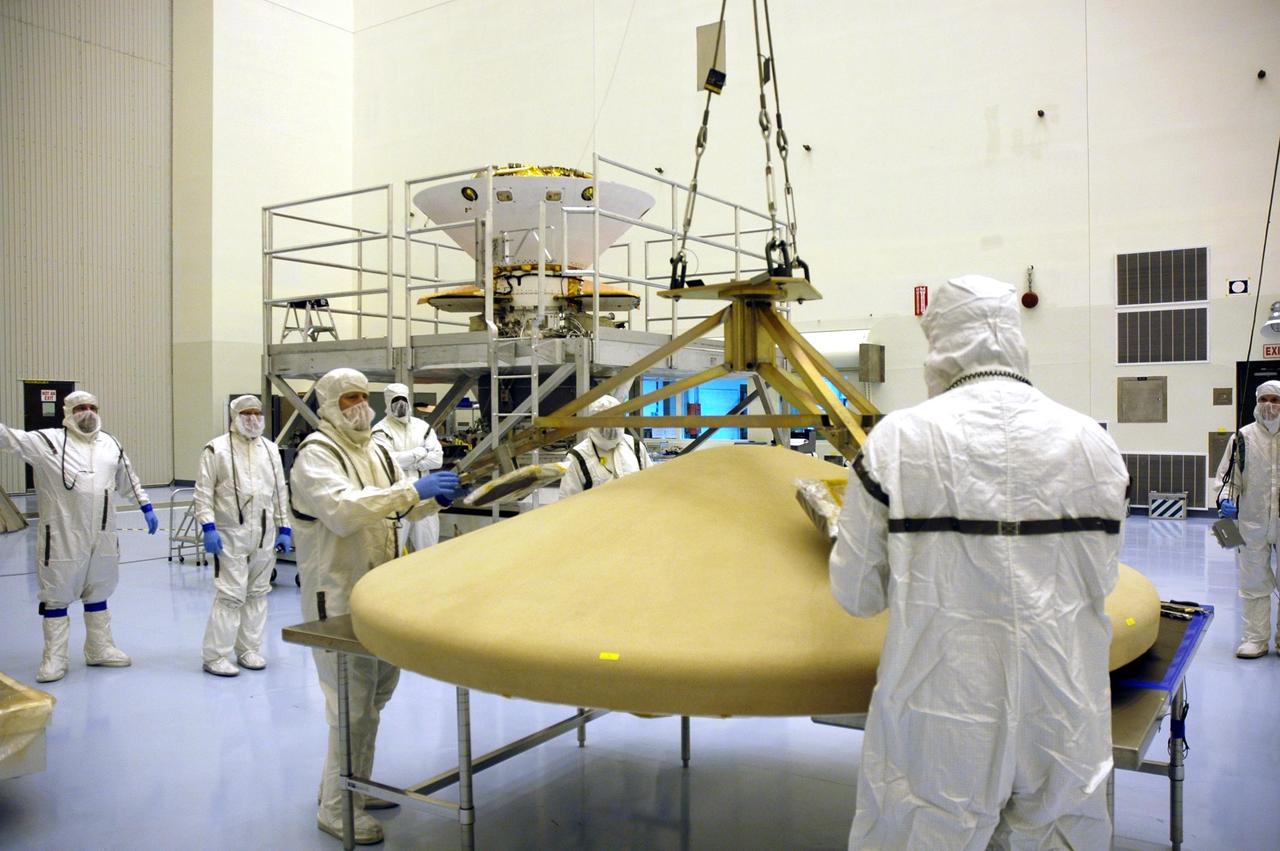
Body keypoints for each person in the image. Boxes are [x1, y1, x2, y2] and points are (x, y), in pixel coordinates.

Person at [829, 276, 1129, 849]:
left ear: (940, 341)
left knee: (926, 830)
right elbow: (1103, 577)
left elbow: (857, 595)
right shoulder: (1093, 444)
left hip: (941, 708)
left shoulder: (898, 441)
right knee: (1062, 835)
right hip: (1064, 704)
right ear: (1014, 336)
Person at [290, 368, 461, 845]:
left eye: (364, 396)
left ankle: (355, 787)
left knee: (375, 698)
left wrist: (437, 500)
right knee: (350, 705)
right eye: (349, 398)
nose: (360, 406)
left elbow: (399, 507)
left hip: (379, 592)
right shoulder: (317, 455)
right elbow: (345, 511)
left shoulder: (378, 450)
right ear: (328, 404)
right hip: (336, 597)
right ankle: (337, 808)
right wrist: (412, 490)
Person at [0, 390, 159, 683]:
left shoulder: (111, 444)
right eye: (80, 408)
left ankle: (99, 648)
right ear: (68, 413)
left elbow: (129, 479)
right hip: (62, 537)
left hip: (103, 534)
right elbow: (9, 438)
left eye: (92, 407)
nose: (88, 413)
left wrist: (146, 506)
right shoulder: (47, 442)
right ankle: (55, 658)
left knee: (99, 589)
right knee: (57, 595)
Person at [195, 395, 291, 677]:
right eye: (246, 413)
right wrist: (208, 527)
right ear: (234, 417)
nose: (252, 419)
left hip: (264, 534)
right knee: (231, 595)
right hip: (229, 534)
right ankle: (215, 656)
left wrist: (284, 527)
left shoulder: (270, 450)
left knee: (258, 593)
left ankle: (248, 649)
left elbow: (279, 491)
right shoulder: (216, 449)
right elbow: (203, 492)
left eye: (257, 413)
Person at [1214, 379, 1280, 658]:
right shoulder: (1241, 438)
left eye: (1275, 400)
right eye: (1264, 399)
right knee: (1253, 581)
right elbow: (1227, 478)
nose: (1269, 405)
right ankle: (1255, 639)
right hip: (1252, 522)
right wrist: (1226, 499)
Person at [372, 382, 444, 555]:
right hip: (395, 499)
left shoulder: (423, 427)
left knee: (429, 552)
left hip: (424, 497)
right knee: (391, 553)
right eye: (395, 401)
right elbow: (385, 462)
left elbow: (437, 460)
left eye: (403, 400)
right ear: (388, 403)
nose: (400, 406)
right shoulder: (380, 430)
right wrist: (419, 452)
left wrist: (406, 460)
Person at [559, 395, 649, 498]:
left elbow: (651, 485)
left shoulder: (636, 447)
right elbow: (567, 501)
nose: (610, 425)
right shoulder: (578, 456)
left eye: (615, 418)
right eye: (604, 420)